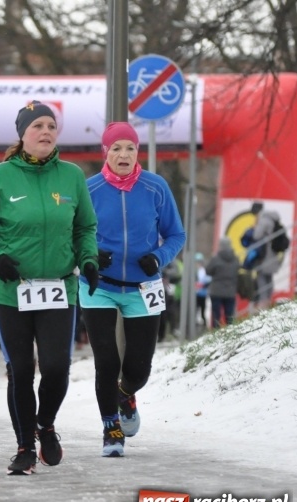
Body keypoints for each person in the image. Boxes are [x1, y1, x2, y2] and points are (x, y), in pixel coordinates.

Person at [0, 101, 98, 475]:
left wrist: (87, 260)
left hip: (58, 287)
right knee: (21, 369)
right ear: (22, 134)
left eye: (51, 126)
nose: (45, 132)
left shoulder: (71, 176)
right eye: (37, 125)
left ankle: (46, 424)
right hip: (11, 291)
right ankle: (24, 445)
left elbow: (85, 227)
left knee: (56, 367)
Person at [80, 122, 185, 458]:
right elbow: (73, 235)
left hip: (144, 286)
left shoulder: (155, 188)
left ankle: (125, 394)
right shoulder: (90, 190)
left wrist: (158, 257)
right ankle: (111, 427)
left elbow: (176, 235)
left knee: (138, 368)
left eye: (130, 148)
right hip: (99, 286)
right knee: (106, 361)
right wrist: (91, 255)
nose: (123, 155)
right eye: (116, 149)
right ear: (105, 153)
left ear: (137, 152)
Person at [249, 202, 283, 310]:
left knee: (261, 279)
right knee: (269, 279)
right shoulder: (273, 219)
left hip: (264, 256)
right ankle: (267, 300)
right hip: (273, 256)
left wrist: (254, 227)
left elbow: (256, 235)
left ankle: (263, 304)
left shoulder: (263, 220)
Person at [206, 237, 239, 328]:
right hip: (230, 291)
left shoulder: (215, 259)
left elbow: (208, 271)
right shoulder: (235, 259)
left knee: (216, 314)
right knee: (229, 314)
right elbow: (238, 270)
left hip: (216, 291)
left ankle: (215, 332)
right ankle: (231, 330)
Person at [195, 253, 211, 328]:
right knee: (195, 310)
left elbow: (208, 281)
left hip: (202, 294)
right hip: (196, 294)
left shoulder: (204, 270)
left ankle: (204, 325)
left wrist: (202, 285)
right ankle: (195, 324)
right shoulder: (195, 271)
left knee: (202, 311)